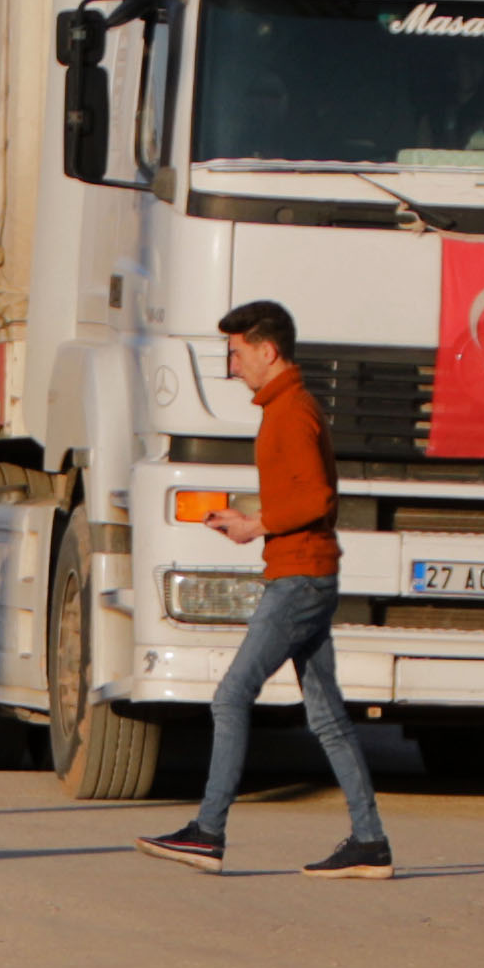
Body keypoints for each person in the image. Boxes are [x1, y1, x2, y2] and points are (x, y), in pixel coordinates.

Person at [133, 300, 391, 878]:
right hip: (308, 571)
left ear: (267, 351)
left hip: (298, 579)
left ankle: (208, 831)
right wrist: (249, 518)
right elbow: (301, 494)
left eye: (237, 352)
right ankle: (370, 841)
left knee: (230, 697)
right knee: (326, 718)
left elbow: (318, 497)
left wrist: (258, 525)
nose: (233, 365)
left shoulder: (291, 413)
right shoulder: (288, 408)